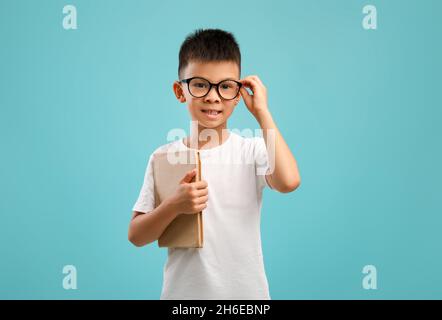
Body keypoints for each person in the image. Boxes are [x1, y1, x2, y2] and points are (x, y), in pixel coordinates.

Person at [128, 28, 301, 299]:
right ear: (179, 91)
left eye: (225, 86)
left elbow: (289, 181)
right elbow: (137, 235)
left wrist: (262, 112)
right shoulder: (163, 157)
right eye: (199, 84)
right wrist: (174, 205)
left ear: (238, 91)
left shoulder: (252, 150)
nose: (213, 96)